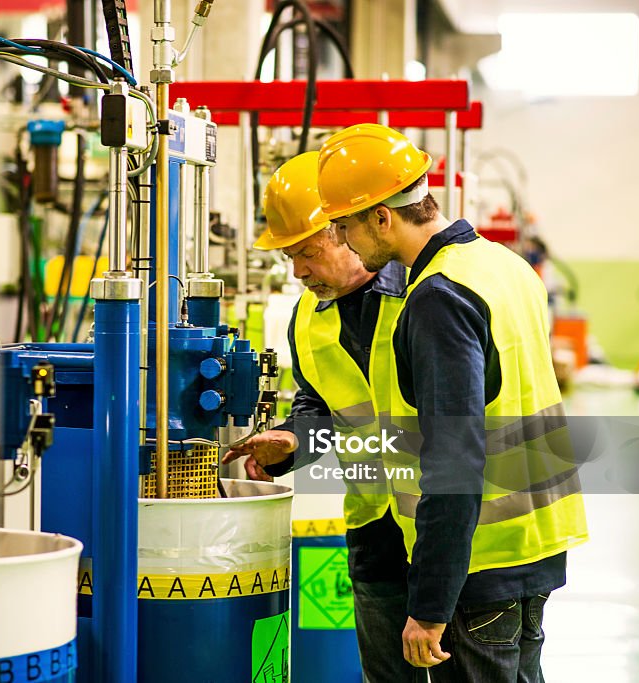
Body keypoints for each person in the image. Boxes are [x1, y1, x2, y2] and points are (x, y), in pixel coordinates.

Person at [317, 123, 589, 681]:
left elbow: (454, 460)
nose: (345, 242)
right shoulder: (505, 266)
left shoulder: (438, 298)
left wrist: (430, 605)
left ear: (382, 217)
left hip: (477, 561)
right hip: (536, 544)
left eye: (345, 226)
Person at [221, 151, 425, 683]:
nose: (299, 271)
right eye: (290, 257)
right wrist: (292, 439)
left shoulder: (423, 294)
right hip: (375, 529)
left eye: (307, 252)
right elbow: (319, 405)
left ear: (347, 232)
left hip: (445, 527)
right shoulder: (308, 317)